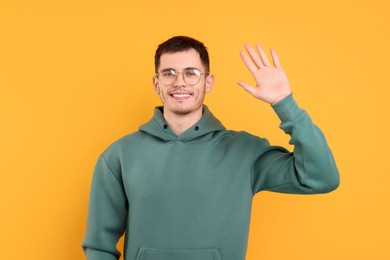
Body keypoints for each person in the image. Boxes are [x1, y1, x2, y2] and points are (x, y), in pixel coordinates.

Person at [82, 36, 340, 260]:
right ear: (156, 83)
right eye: (168, 73)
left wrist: (285, 104)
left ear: (208, 82)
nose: (179, 82)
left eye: (191, 73)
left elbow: (321, 178)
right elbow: (99, 246)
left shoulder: (244, 152)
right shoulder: (120, 155)